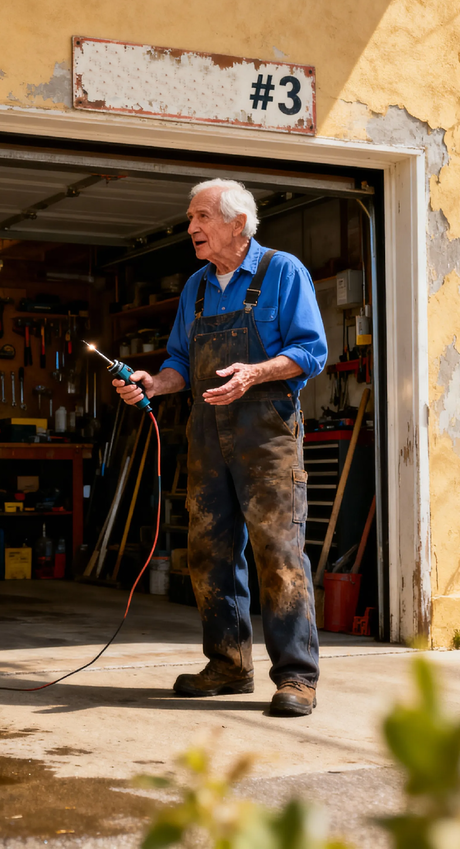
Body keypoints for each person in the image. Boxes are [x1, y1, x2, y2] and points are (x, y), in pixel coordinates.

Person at [115, 179, 328, 716]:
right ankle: (229, 664)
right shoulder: (197, 287)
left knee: (278, 554)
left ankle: (297, 678)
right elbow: (181, 363)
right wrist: (152, 383)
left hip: (268, 437)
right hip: (207, 435)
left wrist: (255, 372)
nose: (191, 228)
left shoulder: (283, 272)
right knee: (210, 553)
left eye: (202, 217)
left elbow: (312, 350)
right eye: (191, 218)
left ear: (238, 223)